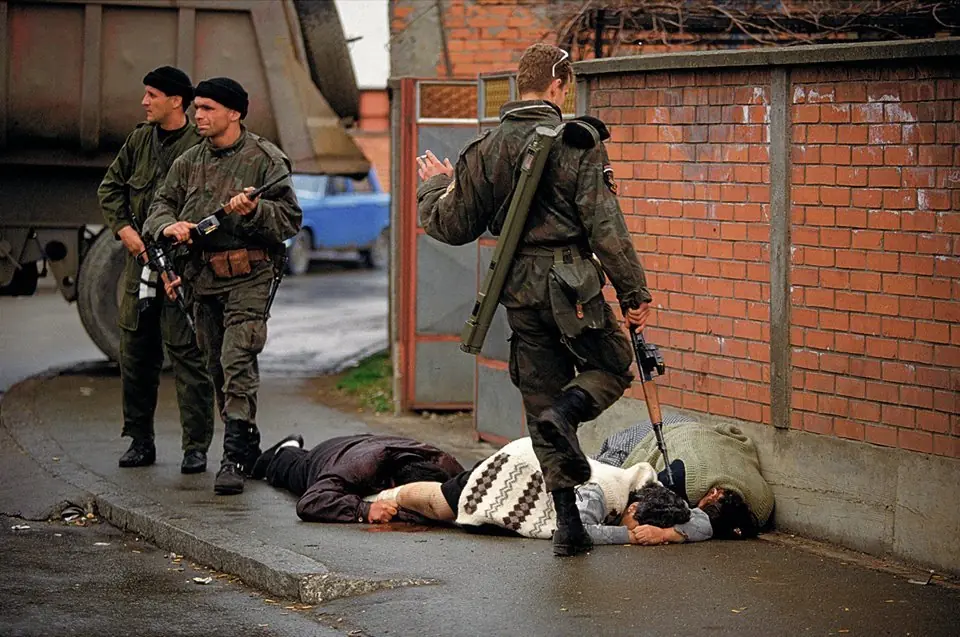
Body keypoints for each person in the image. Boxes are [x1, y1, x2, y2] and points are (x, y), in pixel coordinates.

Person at [416, 43, 653, 556]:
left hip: (517, 285)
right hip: (574, 283)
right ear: (558, 85)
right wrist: (634, 293)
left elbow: (450, 225)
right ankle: (568, 413)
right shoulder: (577, 141)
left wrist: (435, 186)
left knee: (540, 395)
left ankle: (568, 527)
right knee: (611, 366)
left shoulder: (484, 149)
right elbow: (605, 228)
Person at [143, 77, 302, 496]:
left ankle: (232, 456)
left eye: (208, 108)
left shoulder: (265, 159)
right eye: (196, 108)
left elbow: (289, 219)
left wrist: (253, 212)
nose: (198, 115)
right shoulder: (188, 162)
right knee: (214, 364)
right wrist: (167, 225)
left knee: (237, 358)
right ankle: (246, 441)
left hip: (250, 274)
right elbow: (159, 205)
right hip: (201, 278)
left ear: (234, 113)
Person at [97, 66, 215, 474]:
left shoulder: (200, 146)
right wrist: (125, 230)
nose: (144, 102)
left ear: (175, 101)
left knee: (189, 359)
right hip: (141, 269)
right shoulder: (139, 141)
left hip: (182, 273)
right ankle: (139, 440)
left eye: (152, 95)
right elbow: (110, 189)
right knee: (135, 357)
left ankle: (195, 447)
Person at [370, 437, 713, 547]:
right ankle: (386, 496)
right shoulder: (602, 494)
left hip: (549, 466)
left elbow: (703, 522)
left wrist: (669, 533)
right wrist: (629, 536)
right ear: (634, 512)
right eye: (633, 522)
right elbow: (575, 531)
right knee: (441, 504)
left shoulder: (657, 495)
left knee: (446, 506)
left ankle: (391, 497)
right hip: (521, 468)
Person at [596, 417, 770, 539]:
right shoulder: (680, 482)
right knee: (607, 469)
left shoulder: (761, 507)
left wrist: (666, 534)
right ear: (712, 493)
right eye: (698, 510)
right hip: (661, 430)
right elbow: (640, 498)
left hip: (701, 431)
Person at [251, 433, 464, 524]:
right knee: (288, 468)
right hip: (326, 458)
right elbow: (310, 502)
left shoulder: (444, 463)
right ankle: (285, 448)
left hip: (366, 442)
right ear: (393, 485)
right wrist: (364, 510)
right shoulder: (358, 468)